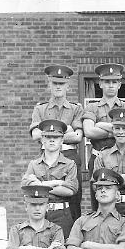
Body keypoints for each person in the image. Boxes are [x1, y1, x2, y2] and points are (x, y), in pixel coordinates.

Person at [30, 65, 84, 221]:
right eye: (55, 83)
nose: (58, 87)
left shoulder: (75, 109)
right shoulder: (40, 109)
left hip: (70, 156)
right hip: (47, 158)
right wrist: (65, 130)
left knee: (73, 200)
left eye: (61, 84)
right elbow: (35, 135)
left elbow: (77, 137)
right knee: (45, 195)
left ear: (68, 85)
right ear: (49, 84)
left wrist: (48, 133)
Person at [82, 63, 125, 210]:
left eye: (114, 82)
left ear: (119, 84)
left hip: (122, 156)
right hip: (98, 157)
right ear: (100, 83)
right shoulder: (92, 107)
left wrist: (100, 125)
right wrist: (117, 130)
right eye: (107, 82)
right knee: (99, 202)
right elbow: (88, 132)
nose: (110, 85)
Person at [21, 120, 78, 246]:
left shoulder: (69, 164)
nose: (52, 140)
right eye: (48, 137)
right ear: (42, 140)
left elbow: (70, 190)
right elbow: (25, 186)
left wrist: (41, 185)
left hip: (62, 214)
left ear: (62, 140)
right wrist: (57, 183)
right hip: (39, 213)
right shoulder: (34, 164)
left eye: (56, 137)